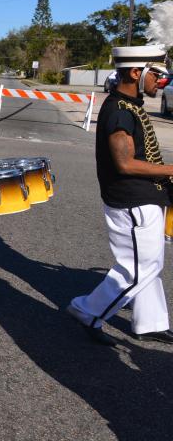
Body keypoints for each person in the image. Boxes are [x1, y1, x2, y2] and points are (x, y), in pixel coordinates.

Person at [67, 43, 173, 346]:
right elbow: (124, 163)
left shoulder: (131, 105)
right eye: (156, 74)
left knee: (150, 263)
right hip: (132, 201)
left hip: (145, 197)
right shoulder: (118, 110)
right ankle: (87, 310)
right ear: (136, 72)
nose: (160, 81)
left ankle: (150, 321)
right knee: (139, 267)